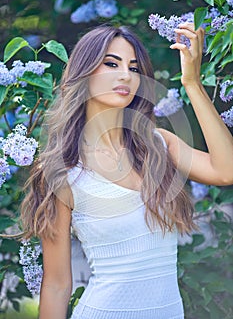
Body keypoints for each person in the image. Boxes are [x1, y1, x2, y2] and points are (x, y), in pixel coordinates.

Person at [20, 24, 233, 319]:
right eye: (111, 63)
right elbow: (57, 284)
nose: (125, 75)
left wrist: (192, 84)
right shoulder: (62, 173)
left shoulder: (159, 146)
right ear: (84, 72)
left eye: (134, 68)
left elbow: (226, 170)